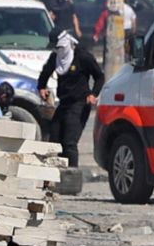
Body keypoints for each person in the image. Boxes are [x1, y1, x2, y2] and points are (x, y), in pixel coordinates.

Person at [38, 28, 104, 167]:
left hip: (79, 104)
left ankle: (72, 176)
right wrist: (41, 87)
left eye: (59, 47)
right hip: (64, 103)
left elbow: (99, 76)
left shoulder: (82, 56)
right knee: (55, 140)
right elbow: (45, 73)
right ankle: (55, 176)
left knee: (69, 142)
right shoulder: (55, 57)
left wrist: (93, 94)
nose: (57, 50)